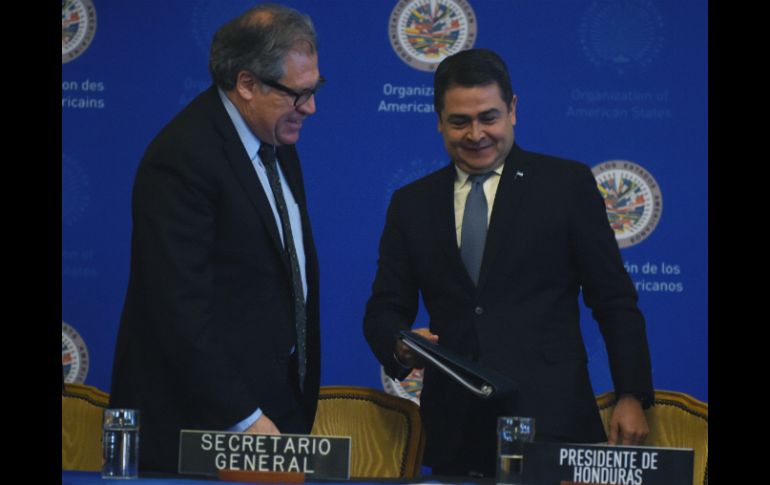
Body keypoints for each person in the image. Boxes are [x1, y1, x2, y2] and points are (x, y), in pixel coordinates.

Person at [363, 48, 653, 477]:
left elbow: (614, 300)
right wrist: (401, 345)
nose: (476, 134)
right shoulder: (412, 204)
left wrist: (632, 394)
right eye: (459, 121)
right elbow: (385, 308)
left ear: (513, 109)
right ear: (438, 120)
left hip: (553, 422)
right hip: (454, 431)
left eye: (489, 117)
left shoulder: (566, 186)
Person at [109, 3, 323, 473]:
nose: (310, 108)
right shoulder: (182, 158)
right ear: (246, 84)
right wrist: (245, 418)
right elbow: (178, 308)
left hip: (273, 413)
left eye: (314, 89)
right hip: (201, 428)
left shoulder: (276, 140)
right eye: (298, 94)